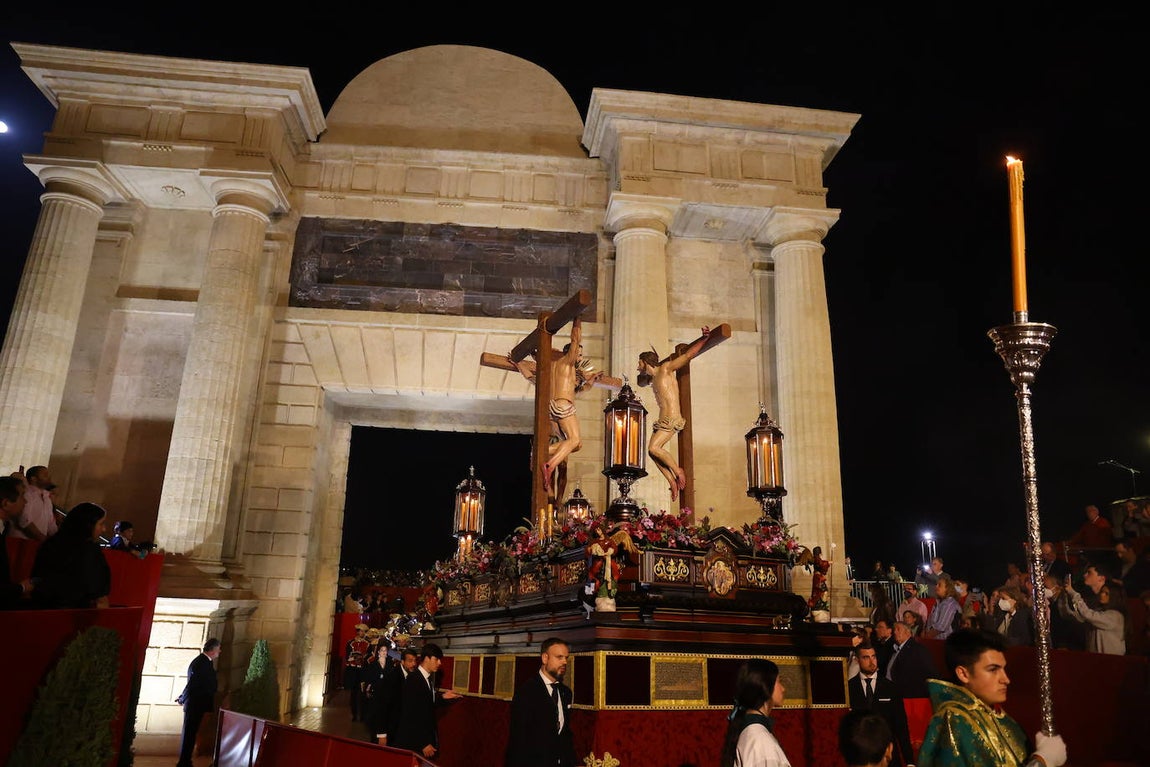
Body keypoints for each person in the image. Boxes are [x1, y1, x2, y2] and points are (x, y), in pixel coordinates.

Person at [918, 628, 1067, 767]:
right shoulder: (955, 719)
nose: (1006, 679)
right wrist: (1042, 760)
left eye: (1003, 669)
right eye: (993, 670)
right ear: (963, 674)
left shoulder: (1000, 717)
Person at [635, 326, 711, 501]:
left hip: (672, 418)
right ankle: (672, 481)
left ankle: (678, 471)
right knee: (652, 452)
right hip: (662, 420)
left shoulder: (665, 369)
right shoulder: (652, 379)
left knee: (654, 448)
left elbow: (687, 355)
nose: (638, 367)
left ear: (645, 362)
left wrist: (704, 339)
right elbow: (640, 382)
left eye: (639, 363)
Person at [505, 636, 577, 767]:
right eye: (559, 657)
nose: (565, 662)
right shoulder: (526, 692)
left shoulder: (566, 692)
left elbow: (564, 734)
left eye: (566, 658)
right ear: (545, 658)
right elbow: (518, 740)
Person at [30, 501, 111, 609]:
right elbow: (99, 596)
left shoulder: (50, 544)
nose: (104, 529)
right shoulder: (90, 551)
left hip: (42, 609)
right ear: (88, 525)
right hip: (75, 613)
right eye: (101, 524)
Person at [848, 643, 914, 767]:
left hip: (888, 756)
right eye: (866, 657)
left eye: (873, 656)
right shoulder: (849, 688)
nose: (871, 661)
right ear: (857, 660)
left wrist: (909, 761)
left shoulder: (890, 688)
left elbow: (901, 727)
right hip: (861, 758)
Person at [393, 642, 462, 759]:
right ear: (426, 659)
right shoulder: (414, 679)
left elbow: (426, 704)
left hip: (423, 740)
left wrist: (443, 697)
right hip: (414, 743)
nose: (439, 663)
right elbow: (410, 715)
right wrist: (423, 743)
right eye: (436, 659)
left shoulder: (427, 679)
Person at [719, 657, 791, 767]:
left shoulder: (753, 733)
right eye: (779, 681)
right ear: (766, 686)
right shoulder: (761, 741)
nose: (783, 689)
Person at [1058, 568, 1127, 655]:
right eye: (1102, 592)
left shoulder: (1115, 616)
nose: (1102, 594)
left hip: (1111, 660)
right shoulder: (1099, 612)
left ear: (1114, 597)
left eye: (1106, 593)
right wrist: (1064, 594)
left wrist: (1072, 593)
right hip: (1093, 658)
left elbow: (1087, 614)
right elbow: (1069, 615)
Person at [176, 637, 221, 767]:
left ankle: (185, 761)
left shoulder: (204, 662)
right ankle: (184, 762)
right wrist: (182, 698)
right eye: (218, 649)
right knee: (189, 734)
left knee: (190, 734)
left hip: (197, 704)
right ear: (212, 650)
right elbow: (193, 684)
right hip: (195, 704)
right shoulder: (202, 663)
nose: (220, 651)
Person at [0, 475, 35, 607]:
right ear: (6, 503)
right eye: (22, 496)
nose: (25, 502)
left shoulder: (4, 527)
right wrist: (21, 588)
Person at [886, 619, 938, 700]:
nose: (895, 632)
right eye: (894, 630)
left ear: (908, 632)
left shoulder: (918, 649)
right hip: (893, 693)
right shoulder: (893, 649)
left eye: (898, 629)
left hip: (911, 697)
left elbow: (930, 673)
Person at [8, 465, 57, 541]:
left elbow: (51, 523)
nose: (49, 477)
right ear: (33, 479)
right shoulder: (26, 494)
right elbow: (23, 520)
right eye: (45, 475)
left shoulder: (46, 497)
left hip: (38, 543)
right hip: (21, 541)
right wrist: (43, 538)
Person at [344, 622, 370, 721]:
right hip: (353, 670)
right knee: (353, 693)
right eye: (361, 631)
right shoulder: (350, 643)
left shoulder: (368, 643)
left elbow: (369, 656)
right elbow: (347, 656)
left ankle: (362, 715)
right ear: (358, 632)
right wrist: (353, 658)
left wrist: (363, 658)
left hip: (363, 670)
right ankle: (354, 714)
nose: (362, 633)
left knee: (362, 693)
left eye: (364, 631)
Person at [922, 575, 960, 641]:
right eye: (936, 584)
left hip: (943, 642)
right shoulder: (938, 602)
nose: (936, 586)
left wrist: (926, 638)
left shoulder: (949, 604)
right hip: (934, 640)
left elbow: (941, 627)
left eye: (939, 585)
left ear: (947, 588)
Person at [807, 545, 831, 610]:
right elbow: (821, 564)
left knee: (821, 592)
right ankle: (820, 605)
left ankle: (822, 605)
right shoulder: (816, 558)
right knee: (822, 591)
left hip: (819, 577)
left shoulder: (817, 558)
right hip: (818, 578)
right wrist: (828, 563)